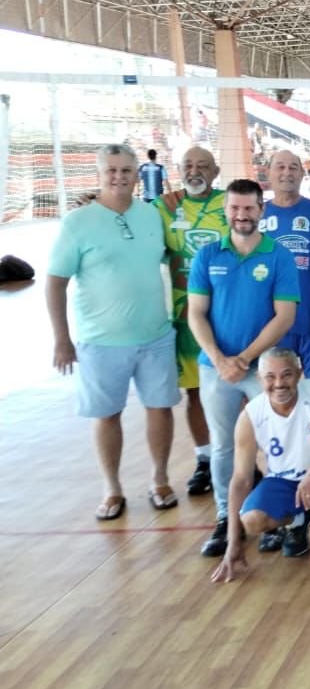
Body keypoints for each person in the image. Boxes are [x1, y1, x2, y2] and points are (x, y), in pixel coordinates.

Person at [47, 144, 181, 520]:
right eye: (112, 170)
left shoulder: (151, 215)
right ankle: (112, 488)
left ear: (137, 175)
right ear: (100, 174)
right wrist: (61, 339)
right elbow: (55, 282)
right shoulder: (78, 223)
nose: (119, 177)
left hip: (155, 336)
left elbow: (173, 257)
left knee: (160, 408)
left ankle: (160, 480)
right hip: (101, 341)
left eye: (125, 170)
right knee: (107, 414)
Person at [188, 179, 300, 557]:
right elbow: (196, 314)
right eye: (235, 208)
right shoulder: (207, 256)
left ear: (261, 210)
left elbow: (284, 317)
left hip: (265, 369)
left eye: (249, 208)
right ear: (226, 210)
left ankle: (275, 515)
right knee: (223, 446)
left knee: (277, 443)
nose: (241, 215)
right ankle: (226, 516)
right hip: (216, 368)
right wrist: (220, 359)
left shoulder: (279, 256)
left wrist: (247, 358)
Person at [209, 347, 310, 582]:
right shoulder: (250, 416)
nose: (279, 384)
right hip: (285, 482)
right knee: (251, 520)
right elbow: (241, 480)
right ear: (259, 379)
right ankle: (298, 518)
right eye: (270, 377)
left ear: (299, 373)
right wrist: (233, 544)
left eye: (286, 375)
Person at [155, 145, 226, 496]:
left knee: (235, 391)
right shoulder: (162, 208)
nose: (194, 171)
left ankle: (239, 458)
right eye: (188, 165)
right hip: (186, 320)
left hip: (227, 315)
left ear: (215, 172)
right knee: (196, 393)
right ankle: (204, 459)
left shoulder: (229, 203)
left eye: (202, 165)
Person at [261, 150, 310, 383]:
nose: (287, 173)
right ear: (268, 173)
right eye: (280, 167)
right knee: (276, 392)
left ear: (303, 173)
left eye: (293, 167)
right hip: (269, 325)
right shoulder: (255, 214)